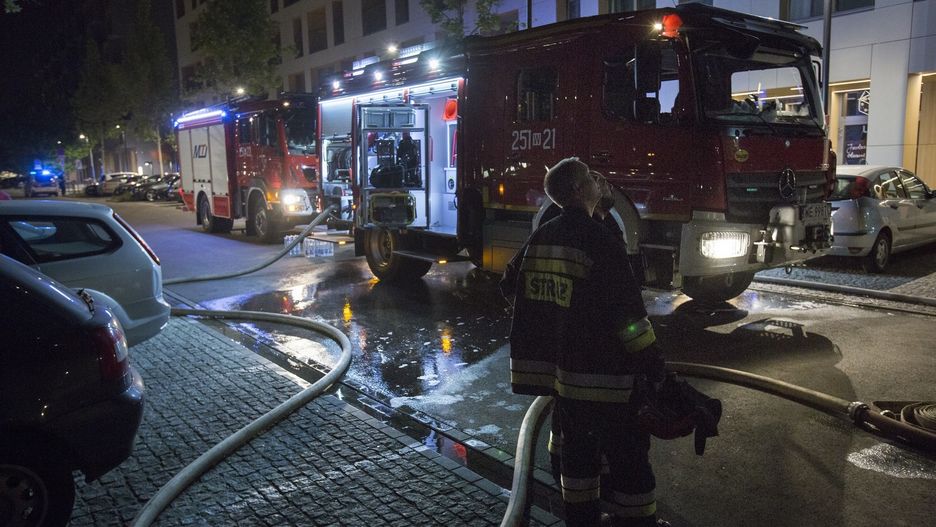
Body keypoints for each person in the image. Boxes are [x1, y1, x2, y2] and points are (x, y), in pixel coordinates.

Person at [501, 158, 666, 527]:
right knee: (629, 462)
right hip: (608, 381)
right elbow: (630, 320)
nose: (599, 180)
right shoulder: (601, 242)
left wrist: (556, 317)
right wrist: (656, 368)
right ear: (578, 190)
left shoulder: (544, 234)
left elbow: (511, 283)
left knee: (576, 461)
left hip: (566, 383)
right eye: (591, 177)